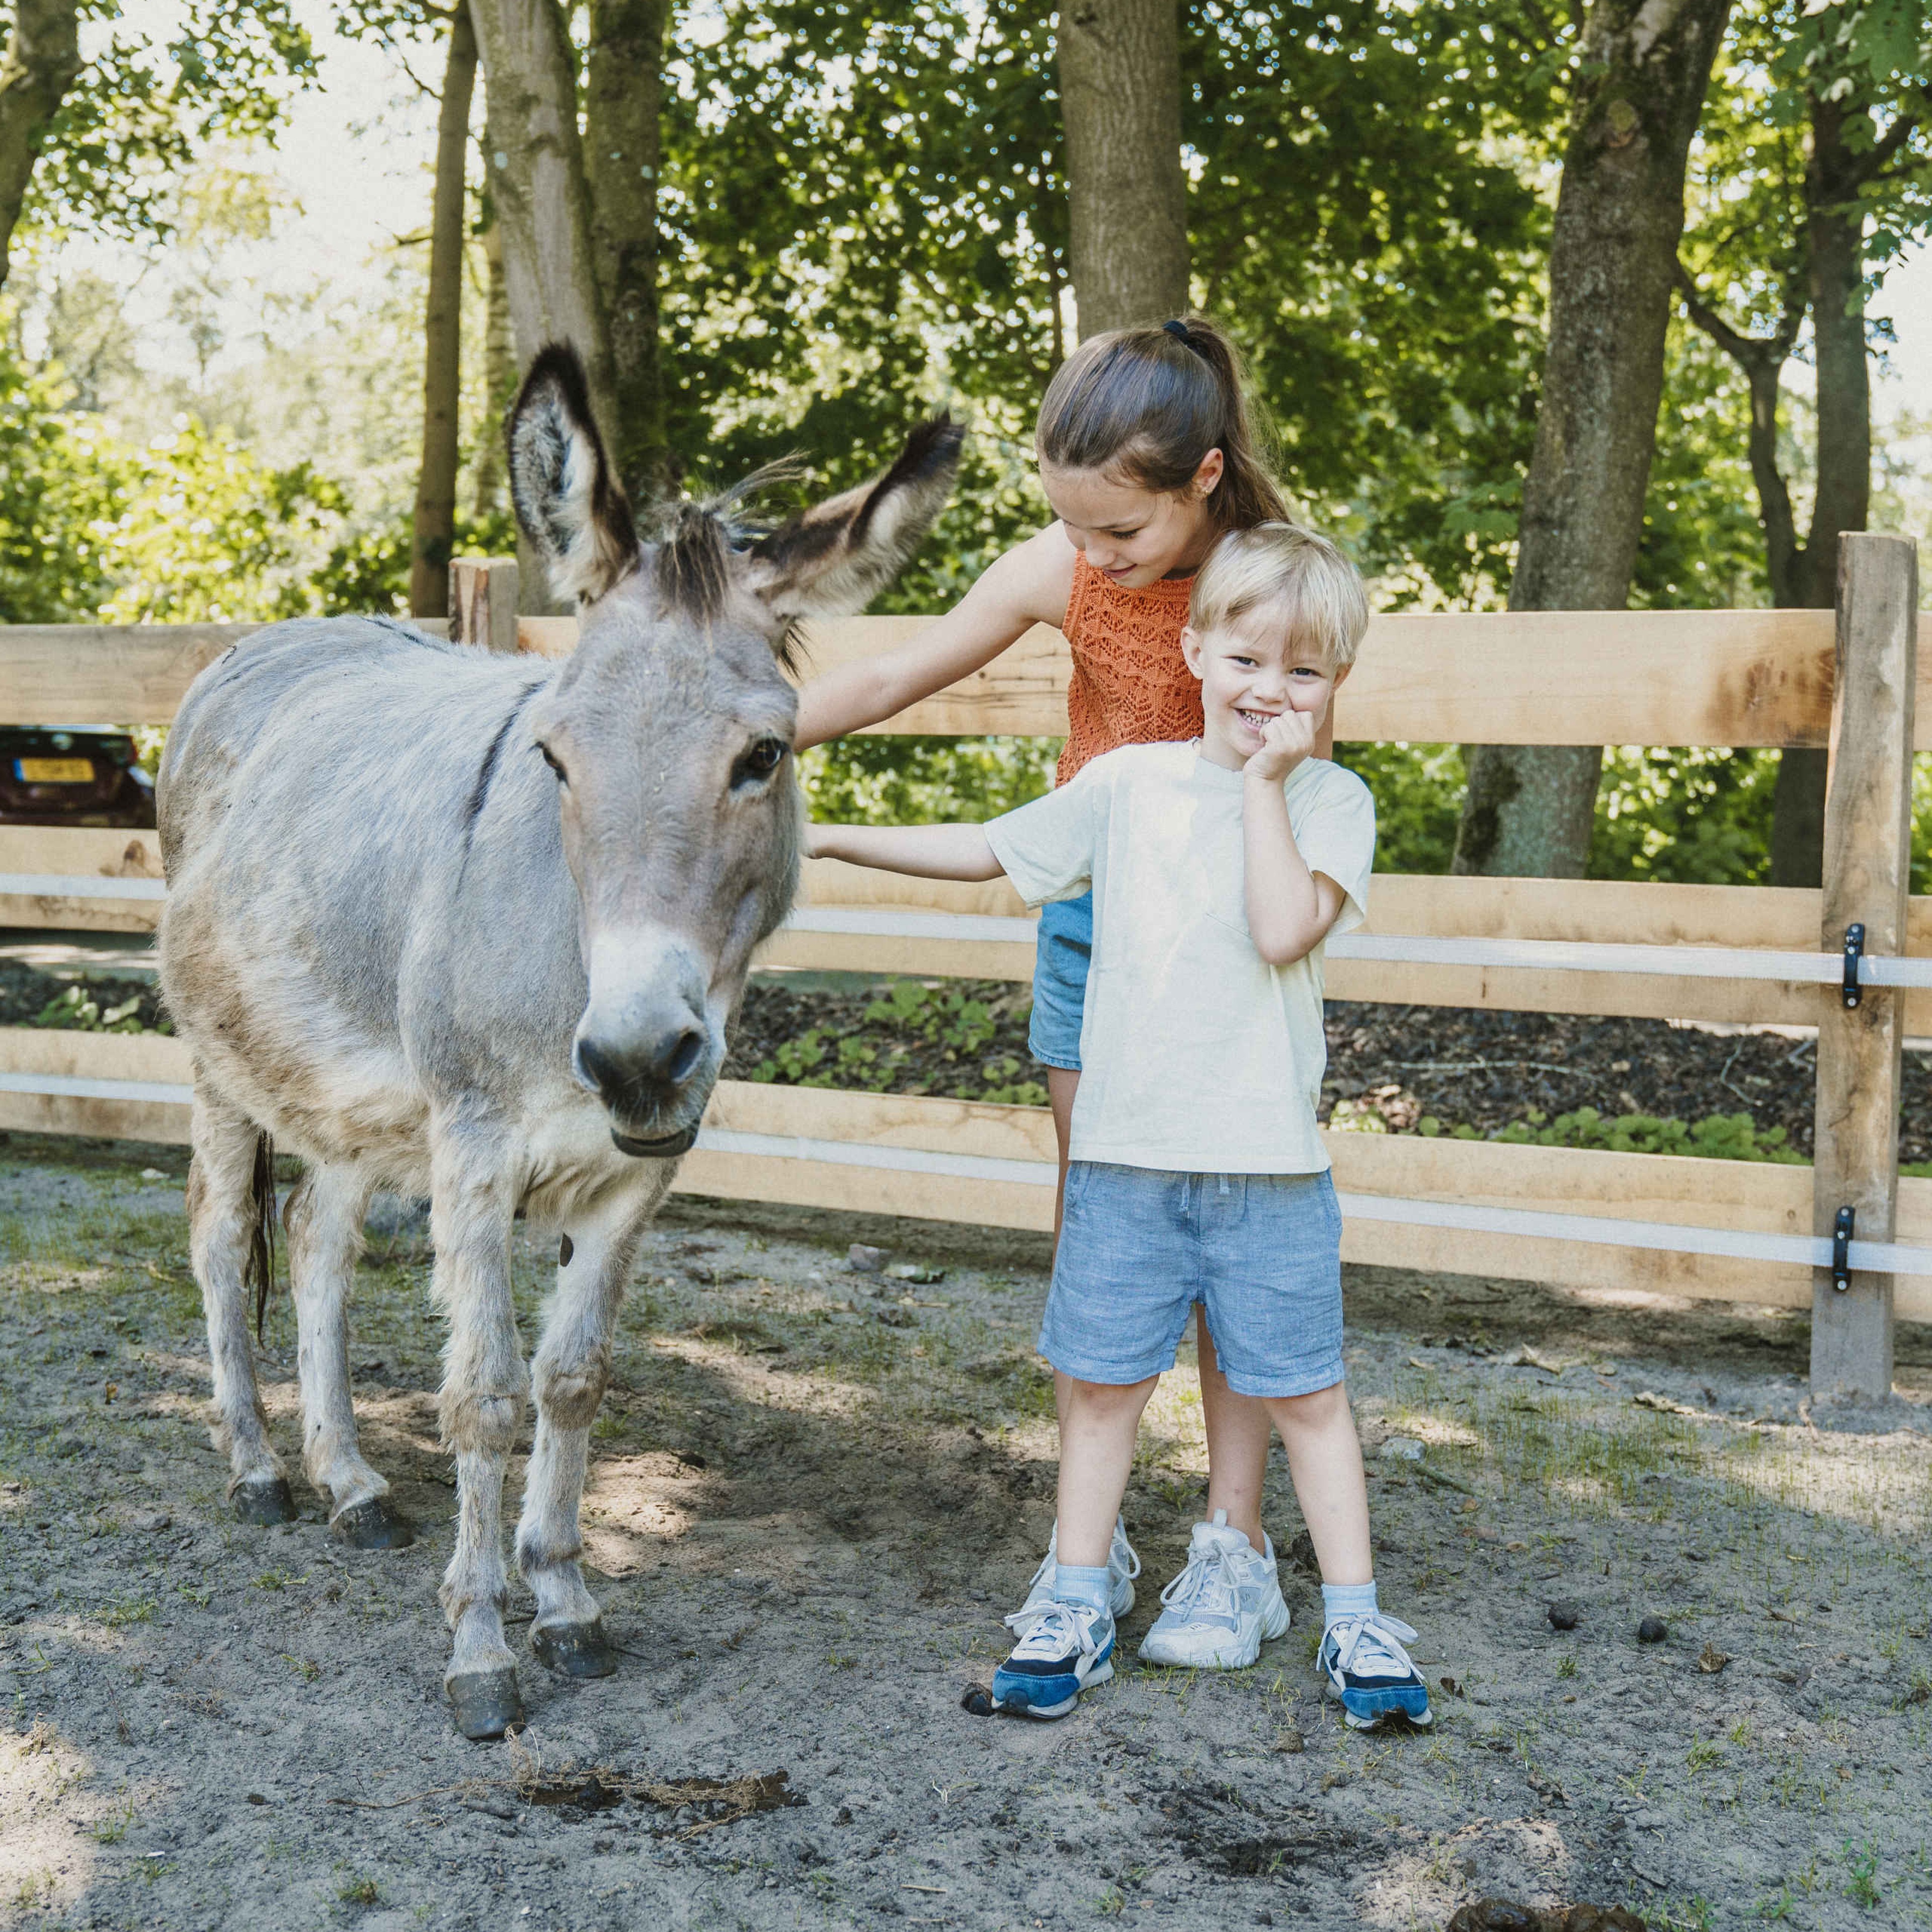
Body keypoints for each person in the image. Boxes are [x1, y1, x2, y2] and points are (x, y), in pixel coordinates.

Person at [806, 523, 1430, 1731]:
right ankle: (1075, 1600)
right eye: (1249, 658)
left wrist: (1261, 785)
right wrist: (825, 837)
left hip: (1270, 1174)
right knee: (1100, 1389)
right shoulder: (1126, 785)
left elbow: (1278, 928)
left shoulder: (1334, 804)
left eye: (1305, 673)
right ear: (1194, 648)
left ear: (1335, 687)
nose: (1272, 690)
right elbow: (992, 851)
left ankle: (1356, 1621)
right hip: (1125, 1163)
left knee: (1307, 1393)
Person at [796, 317, 1324, 1668]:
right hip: (1094, 932)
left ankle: (1235, 1541)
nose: (1092, 558)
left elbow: (1292, 804)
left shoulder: (1269, 598)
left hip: (1222, 949)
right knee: (1110, 1226)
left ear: (1205, 477)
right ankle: (1092, 1546)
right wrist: (729, 726)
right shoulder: (1060, 564)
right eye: (1070, 527)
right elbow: (890, 673)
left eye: (1121, 536)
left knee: (1226, 1239)